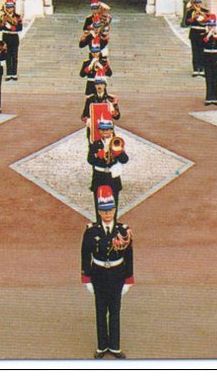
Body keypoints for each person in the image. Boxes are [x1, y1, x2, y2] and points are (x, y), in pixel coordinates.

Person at [81, 185, 134, 359]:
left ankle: (115, 346)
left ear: (115, 209)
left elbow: (129, 255)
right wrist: (86, 278)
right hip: (99, 274)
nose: (107, 214)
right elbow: (85, 254)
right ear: (99, 212)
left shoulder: (123, 230)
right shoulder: (91, 231)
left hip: (117, 274)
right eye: (104, 211)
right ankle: (102, 346)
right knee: (100, 311)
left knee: (115, 311)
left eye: (110, 210)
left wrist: (128, 279)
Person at [87, 118, 129, 214]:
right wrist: (98, 156)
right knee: (99, 206)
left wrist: (118, 153)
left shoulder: (116, 142)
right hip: (99, 176)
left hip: (112, 177)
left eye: (107, 129)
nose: (105, 132)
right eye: (102, 129)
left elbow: (125, 160)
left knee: (113, 206)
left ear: (111, 130)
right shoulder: (95, 144)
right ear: (99, 131)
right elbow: (89, 160)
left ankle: (112, 226)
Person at [81, 68, 121, 143]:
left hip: (108, 131)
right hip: (94, 131)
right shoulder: (90, 99)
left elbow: (117, 117)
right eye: (97, 84)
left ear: (105, 85)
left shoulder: (110, 99)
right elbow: (83, 116)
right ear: (95, 86)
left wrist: (114, 108)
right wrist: (88, 121)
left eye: (101, 84)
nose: (99, 86)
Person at [201, 13, 217, 106]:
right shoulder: (203, 35)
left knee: (215, 78)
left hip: (215, 56)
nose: (211, 27)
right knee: (208, 78)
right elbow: (201, 44)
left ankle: (214, 98)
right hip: (207, 56)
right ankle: (208, 98)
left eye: (213, 26)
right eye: (210, 26)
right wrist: (208, 36)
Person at [0, 0, 23, 81]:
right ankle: (8, 74)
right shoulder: (3, 16)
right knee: (7, 56)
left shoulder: (17, 16)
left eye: (11, 7)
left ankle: (14, 73)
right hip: (6, 36)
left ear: (13, 7)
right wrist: (3, 24)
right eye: (8, 7)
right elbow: (0, 28)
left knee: (14, 56)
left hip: (14, 37)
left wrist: (12, 28)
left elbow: (20, 28)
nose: (9, 9)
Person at [185, 0, 208, 77]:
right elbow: (186, 22)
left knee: (202, 51)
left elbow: (207, 21)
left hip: (202, 32)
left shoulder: (204, 11)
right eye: (195, 2)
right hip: (194, 32)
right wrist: (193, 18)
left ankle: (202, 69)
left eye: (198, 2)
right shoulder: (190, 11)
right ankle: (195, 69)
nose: (197, 4)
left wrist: (204, 17)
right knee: (195, 51)